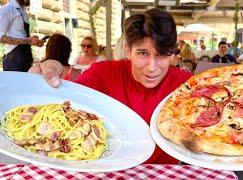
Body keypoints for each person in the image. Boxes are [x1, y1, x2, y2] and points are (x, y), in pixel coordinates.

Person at [29, 8, 192, 164]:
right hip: (106, 169)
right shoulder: (104, 72)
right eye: (143, 53)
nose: (152, 67)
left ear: (171, 54)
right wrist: (45, 81)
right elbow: (65, 101)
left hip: (163, 173)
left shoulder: (187, 85)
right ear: (128, 50)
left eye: (162, 54)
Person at [0, 0, 44, 71]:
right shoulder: (7, 9)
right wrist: (28, 41)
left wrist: (33, 41)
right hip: (14, 61)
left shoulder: (23, 12)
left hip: (26, 59)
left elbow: (21, 35)